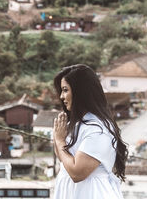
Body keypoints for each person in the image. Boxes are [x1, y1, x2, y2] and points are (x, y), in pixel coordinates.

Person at [51, 64, 127, 199]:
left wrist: (59, 140)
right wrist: (58, 138)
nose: (62, 96)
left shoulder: (97, 129)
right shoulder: (76, 123)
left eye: (65, 90)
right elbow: (63, 157)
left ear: (81, 93)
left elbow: (77, 173)